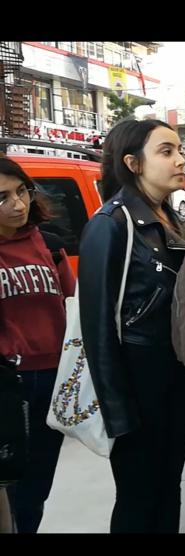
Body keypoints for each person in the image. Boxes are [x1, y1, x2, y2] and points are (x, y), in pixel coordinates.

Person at [78, 119, 185, 533]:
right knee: (137, 496)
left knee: (170, 487)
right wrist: (116, 411)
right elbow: (96, 328)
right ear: (133, 163)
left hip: (177, 378)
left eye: (179, 149)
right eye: (166, 151)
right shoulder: (110, 224)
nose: (180, 159)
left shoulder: (176, 223)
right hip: (135, 386)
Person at [0, 157, 75, 533]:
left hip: (52, 379)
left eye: (22, 191)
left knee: (36, 487)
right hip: (7, 386)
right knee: (9, 485)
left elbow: (72, 306)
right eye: (2, 197)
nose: (18, 204)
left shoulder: (49, 243)